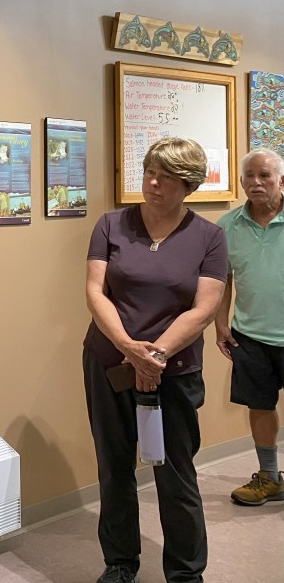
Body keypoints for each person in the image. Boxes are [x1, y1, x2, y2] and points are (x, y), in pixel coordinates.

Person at [83, 138, 227, 583]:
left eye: (166, 177)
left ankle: (185, 573)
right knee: (114, 466)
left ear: (189, 186)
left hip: (174, 371)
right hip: (109, 363)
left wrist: (155, 356)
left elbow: (204, 309)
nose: (153, 183)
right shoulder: (111, 224)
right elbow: (95, 291)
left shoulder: (209, 237)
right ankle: (120, 564)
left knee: (175, 472)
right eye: (149, 172)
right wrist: (129, 347)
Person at [214, 147, 284, 505]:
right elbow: (221, 280)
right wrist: (220, 323)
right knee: (259, 406)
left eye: (265, 175)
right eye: (249, 176)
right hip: (250, 336)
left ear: (281, 180)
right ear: (241, 182)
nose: (256, 182)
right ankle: (269, 477)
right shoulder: (227, 226)